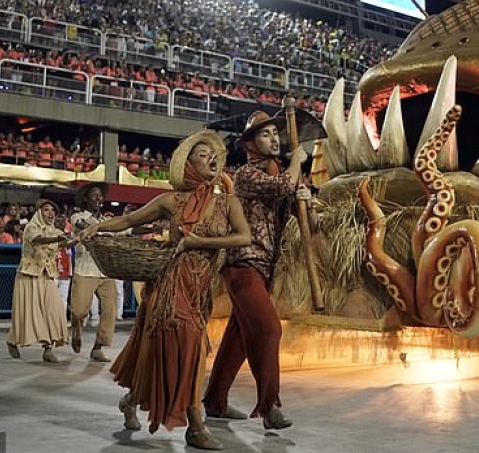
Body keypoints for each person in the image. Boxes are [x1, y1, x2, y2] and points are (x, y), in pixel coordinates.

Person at [79, 130, 250, 450]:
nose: (211, 159)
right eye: (202, 155)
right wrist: (98, 226)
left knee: (176, 356)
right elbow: (129, 220)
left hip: (201, 291)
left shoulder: (228, 202)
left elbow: (244, 238)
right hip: (171, 286)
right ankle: (195, 426)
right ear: (187, 164)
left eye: (213, 155)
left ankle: (131, 400)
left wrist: (200, 242)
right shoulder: (172, 201)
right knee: (188, 351)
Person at [203, 110, 311, 430]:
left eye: (276, 133)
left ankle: (215, 401)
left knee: (238, 337)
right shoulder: (247, 175)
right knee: (269, 330)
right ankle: (270, 405)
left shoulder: (280, 174)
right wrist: (297, 164)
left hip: (265, 268)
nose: (275, 138)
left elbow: (309, 223)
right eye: (266, 134)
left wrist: (305, 200)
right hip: (243, 264)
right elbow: (280, 187)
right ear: (250, 144)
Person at [6, 199, 75, 362]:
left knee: (53, 310)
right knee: (27, 313)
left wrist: (81, 239)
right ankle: (12, 340)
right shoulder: (31, 227)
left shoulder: (55, 231)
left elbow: (65, 243)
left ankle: (48, 348)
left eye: (53, 210)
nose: (50, 213)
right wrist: (58, 239)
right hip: (29, 275)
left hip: (47, 275)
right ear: (38, 212)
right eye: (46, 210)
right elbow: (38, 240)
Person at [70, 182, 117, 362]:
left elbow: (126, 228)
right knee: (79, 311)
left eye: (100, 195)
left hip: (105, 272)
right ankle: (76, 328)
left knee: (109, 310)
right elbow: (82, 226)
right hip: (86, 270)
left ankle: (98, 347)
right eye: (94, 195)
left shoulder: (107, 220)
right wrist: (98, 230)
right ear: (86, 199)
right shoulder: (78, 216)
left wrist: (152, 228)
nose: (99, 198)